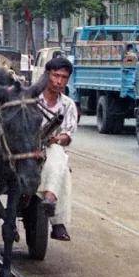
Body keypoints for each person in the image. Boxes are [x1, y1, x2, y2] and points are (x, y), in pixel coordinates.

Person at [37, 55, 79, 242]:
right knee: (61, 167)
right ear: (47, 75)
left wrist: (56, 139)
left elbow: (68, 134)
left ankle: (50, 199)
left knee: (59, 159)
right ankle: (57, 220)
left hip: (51, 147)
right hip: (25, 147)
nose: (59, 81)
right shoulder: (32, 98)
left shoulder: (68, 104)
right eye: (56, 76)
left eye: (64, 77)